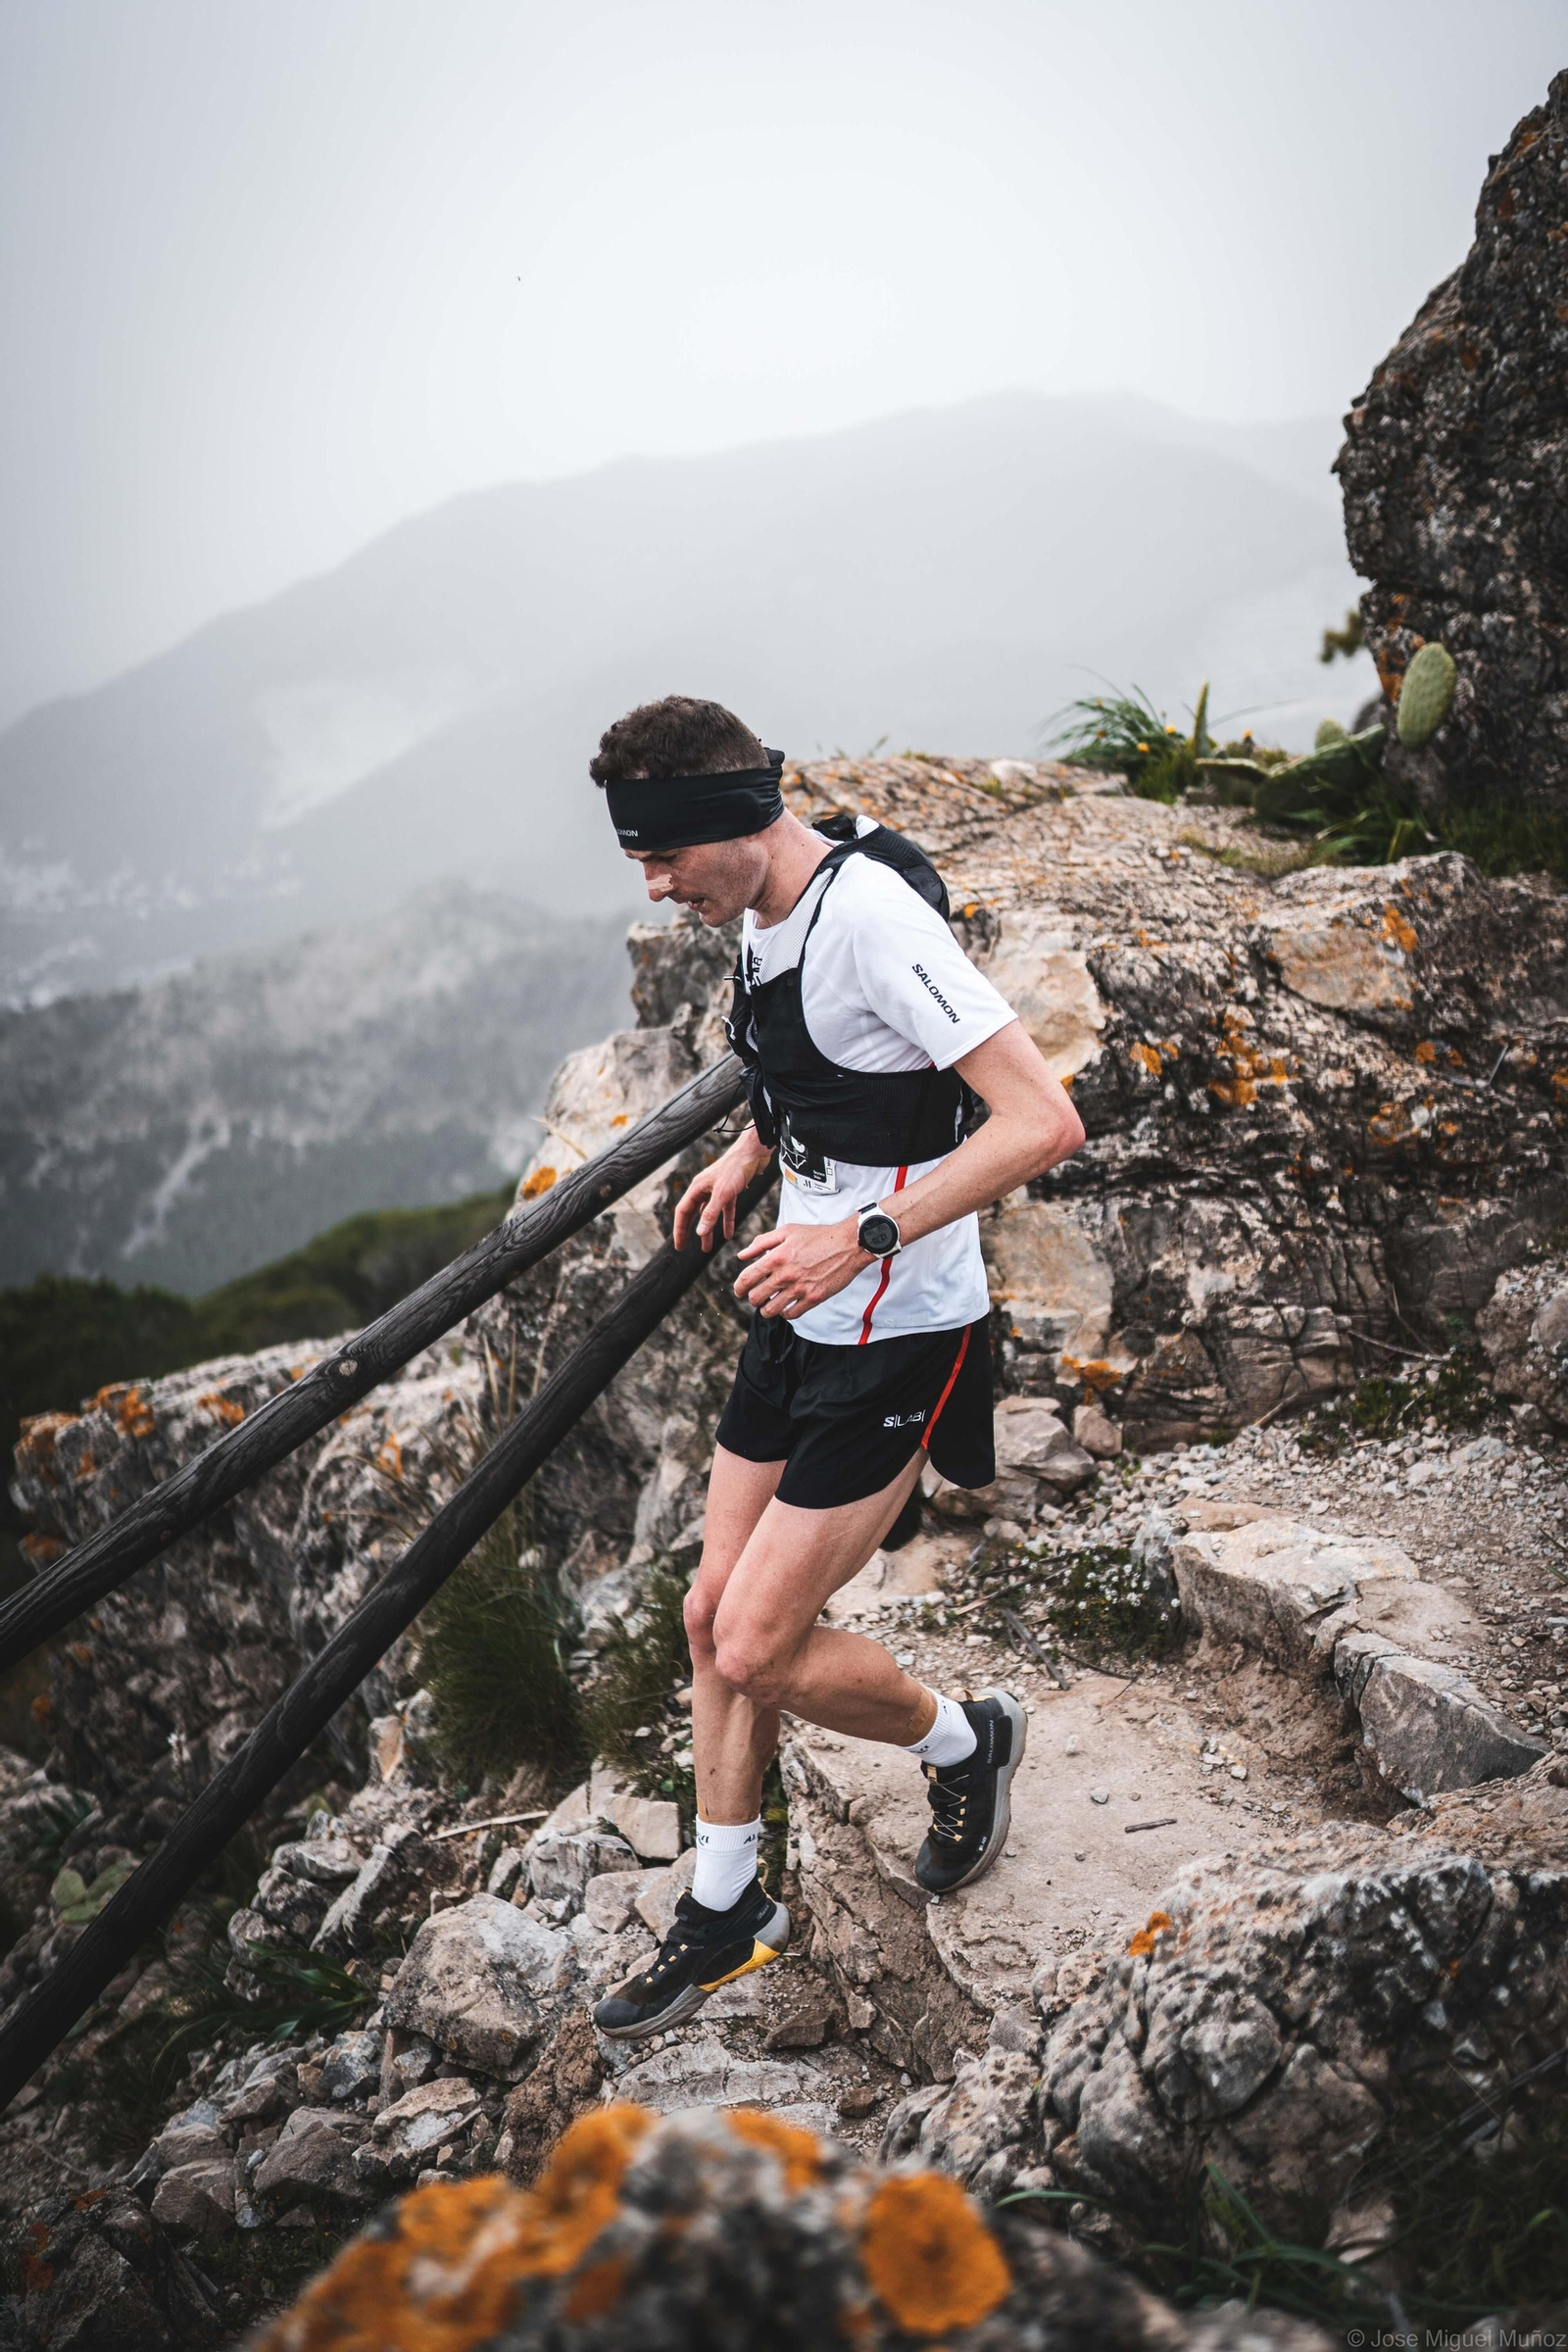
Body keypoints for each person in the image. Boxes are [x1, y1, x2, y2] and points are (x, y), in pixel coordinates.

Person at [587, 696, 1085, 2040]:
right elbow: (824, 1064)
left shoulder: (872, 920)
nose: (653, 885)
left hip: (898, 1325)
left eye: (662, 856)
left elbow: (1043, 1121)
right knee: (709, 1616)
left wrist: (856, 1238)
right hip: (800, 1313)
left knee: (760, 1645)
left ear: (734, 821)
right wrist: (753, 1152)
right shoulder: (765, 910)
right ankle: (726, 1904)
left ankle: (966, 1738)